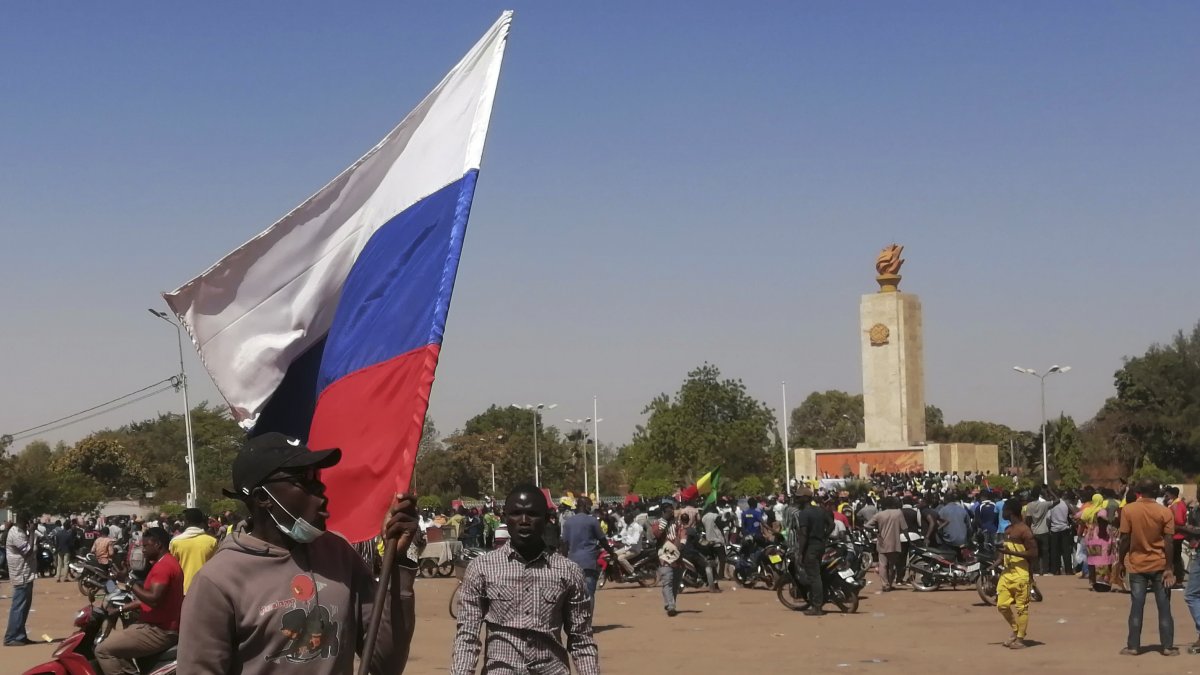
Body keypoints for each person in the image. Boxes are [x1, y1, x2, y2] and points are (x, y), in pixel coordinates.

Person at [177, 433, 418, 674]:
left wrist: (396, 562)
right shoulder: (218, 581)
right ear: (263, 498)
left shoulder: (339, 554)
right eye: (304, 479)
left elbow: (385, 664)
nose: (321, 488)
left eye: (317, 476)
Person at [451, 483, 598, 675]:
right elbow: (467, 636)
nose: (524, 521)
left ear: (547, 518)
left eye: (532, 514)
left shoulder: (568, 571)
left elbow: (581, 640)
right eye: (516, 513)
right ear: (505, 518)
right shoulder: (481, 568)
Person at [96, 527, 184, 674]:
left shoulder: (163, 567)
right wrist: (120, 609)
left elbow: (153, 600)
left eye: (146, 546)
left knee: (103, 650)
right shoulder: (165, 562)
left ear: (158, 545)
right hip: (155, 626)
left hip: (158, 630)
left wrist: (128, 582)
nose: (143, 550)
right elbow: (147, 599)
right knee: (119, 648)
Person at [1117, 480, 1177, 656]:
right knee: (1164, 606)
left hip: (1137, 565)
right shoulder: (1165, 511)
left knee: (1137, 606)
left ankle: (1133, 646)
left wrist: (1120, 561)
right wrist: (1169, 568)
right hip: (1160, 564)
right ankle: (1167, 647)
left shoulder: (1129, 510)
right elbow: (1169, 542)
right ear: (1157, 491)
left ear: (1139, 491)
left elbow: (1125, 539)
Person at [997, 498, 1037, 649]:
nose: (1002, 512)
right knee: (1002, 605)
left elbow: (1033, 553)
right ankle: (1015, 630)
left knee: (1022, 608)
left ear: (1010, 511)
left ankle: (1020, 639)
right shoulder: (1008, 530)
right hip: (1007, 573)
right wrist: (994, 564)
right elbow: (1004, 552)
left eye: (1004, 510)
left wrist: (1011, 553)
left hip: (1021, 574)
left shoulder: (1024, 530)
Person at [561, 497, 616, 600]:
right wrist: (611, 552)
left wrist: (562, 562)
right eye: (590, 506)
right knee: (589, 595)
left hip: (572, 564)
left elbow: (564, 545)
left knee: (574, 596)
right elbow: (602, 540)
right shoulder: (592, 521)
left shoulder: (568, 522)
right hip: (589, 563)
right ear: (586, 506)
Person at [791, 487, 832, 616]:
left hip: (811, 547)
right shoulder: (821, 510)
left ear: (806, 498)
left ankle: (817, 607)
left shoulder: (804, 513)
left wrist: (800, 552)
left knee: (814, 577)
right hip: (820, 545)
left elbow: (803, 534)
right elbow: (832, 525)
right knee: (817, 574)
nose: (797, 499)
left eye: (799, 497)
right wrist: (824, 536)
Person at [4, 513, 39, 647]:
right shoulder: (16, 534)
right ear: (25, 522)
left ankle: (20, 635)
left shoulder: (22, 532)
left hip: (26, 574)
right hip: (21, 575)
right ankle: (11, 637)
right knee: (18, 607)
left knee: (24, 607)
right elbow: (28, 551)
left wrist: (31, 533)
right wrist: (32, 532)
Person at [170, 508, 219, 595]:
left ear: (186, 521)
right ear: (201, 522)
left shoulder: (176, 542)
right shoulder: (212, 541)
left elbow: (173, 567)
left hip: (183, 589)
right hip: (205, 588)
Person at [865, 497, 907, 591]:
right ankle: (890, 583)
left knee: (882, 565)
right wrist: (908, 538)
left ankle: (885, 584)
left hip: (882, 542)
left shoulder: (879, 515)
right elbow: (904, 528)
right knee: (892, 565)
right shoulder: (898, 513)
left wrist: (875, 533)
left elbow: (867, 525)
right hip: (895, 543)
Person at [652, 502, 683, 617]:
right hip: (664, 556)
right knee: (667, 580)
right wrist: (664, 520)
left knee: (675, 582)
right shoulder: (657, 522)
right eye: (668, 511)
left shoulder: (678, 523)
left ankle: (670, 602)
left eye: (671, 510)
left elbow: (683, 535)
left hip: (677, 556)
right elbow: (657, 534)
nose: (670, 513)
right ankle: (671, 606)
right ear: (663, 512)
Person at [1167, 486, 1187, 588]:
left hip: (1176, 536)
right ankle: (1178, 579)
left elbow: (1179, 521)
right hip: (1177, 535)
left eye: (1168, 494)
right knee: (1176, 558)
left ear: (1172, 494)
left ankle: (1178, 580)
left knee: (1175, 559)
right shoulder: (1179, 503)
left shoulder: (1176, 505)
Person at [615, 512, 643, 576]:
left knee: (620, 558)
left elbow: (635, 540)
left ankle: (632, 572)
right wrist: (614, 538)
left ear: (630, 519)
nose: (624, 520)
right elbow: (621, 534)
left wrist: (623, 540)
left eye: (626, 519)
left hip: (634, 549)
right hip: (627, 548)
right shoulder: (627, 526)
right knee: (614, 554)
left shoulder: (636, 527)